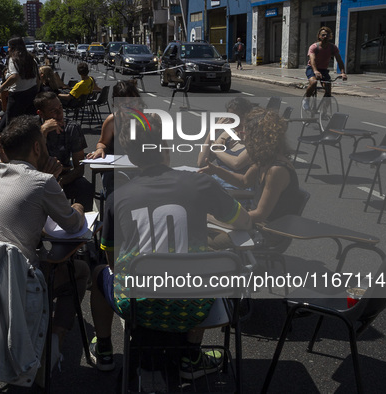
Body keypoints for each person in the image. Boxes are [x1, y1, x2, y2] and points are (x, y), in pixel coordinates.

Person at [89, 114, 252, 375]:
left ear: (131, 157)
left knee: (98, 273)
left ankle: (105, 349)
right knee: (205, 261)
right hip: (197, 307)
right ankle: (191, 358)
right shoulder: (201, 183)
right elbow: (243, 221)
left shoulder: (118, 198)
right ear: (166, 147)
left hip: (138, 308)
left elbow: (113, 264)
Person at [0, 115, 88, 371]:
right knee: (80, 271)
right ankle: (54, 343)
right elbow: (73, 224)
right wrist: (76, 205)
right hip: (16, 281)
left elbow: (23, 200)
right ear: (37, 147)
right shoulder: (43, 182)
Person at [198, 107, 301, 250]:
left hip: (266, 232)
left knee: (201, 241)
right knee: (199, 227)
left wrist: (220, 218)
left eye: (247, 132)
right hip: (251, 224)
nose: (242, 135)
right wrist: (216, 170)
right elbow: (243, 182)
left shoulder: (277, 170)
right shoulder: (265, 160)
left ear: (258, 138)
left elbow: (260, 215)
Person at [34, 91, 94, 211]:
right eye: (53, 111)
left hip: (63, 177)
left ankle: (84, 225)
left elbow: (80, 167)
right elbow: (28, 160)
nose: (60, 113)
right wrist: (43, 133)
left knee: (85, 187)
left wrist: (62, 180)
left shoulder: (72, 128)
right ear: (41, 114)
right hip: (37, 177)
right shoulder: (32, 128)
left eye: (60, 107)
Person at [85, 80, 141, 195]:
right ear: (117, 105)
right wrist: (100, 149)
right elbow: (102, 142)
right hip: (115, 171)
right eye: (125, 105)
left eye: (133, 102)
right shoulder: (112, 121)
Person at [197, 97, 254, 189]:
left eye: (240, 117)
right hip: (216, 183)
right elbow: (201, 162)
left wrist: (216, 150)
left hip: (234, 188)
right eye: (232, 118)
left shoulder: (255, 140)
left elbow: (236, 163)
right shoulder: (227, 135)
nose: (235, 122)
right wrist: (212, 132)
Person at [302, 26, 347, 111]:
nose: (325, 37)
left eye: (327, 35)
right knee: (313, 82)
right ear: (319, 36)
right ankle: (306, 100)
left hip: (323, 70)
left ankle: (324, 111)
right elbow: (312, 60)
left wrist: (343, 72)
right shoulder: (314, 47)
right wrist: (315, 71)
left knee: (328, 90)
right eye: (323, 35)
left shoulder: (333, 47)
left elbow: (339, 60)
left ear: (330, 36)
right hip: (312, 68)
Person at [0, 37, 39, 124]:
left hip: (17, 96)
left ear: (13, 48)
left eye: (8, 47)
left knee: (12, 123)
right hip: (32, 93)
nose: (8, 49)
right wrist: (36, 91)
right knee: (29, 122)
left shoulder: (14, 59)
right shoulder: (32, 59)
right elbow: (38, 78)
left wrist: (1, 87)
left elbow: (15, 76)